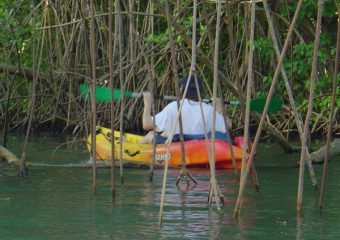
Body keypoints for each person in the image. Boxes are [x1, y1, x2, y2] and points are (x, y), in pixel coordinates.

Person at [139, 75, 231, 144]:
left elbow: (146, 125)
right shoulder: (209, 110)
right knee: (164, 133)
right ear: (201, 91)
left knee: (151, 134)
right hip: (199, 144)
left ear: (181, 89)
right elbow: (228, 126)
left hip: (177, 145)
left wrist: (147, 103)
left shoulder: (174, 106)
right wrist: (219, 107)